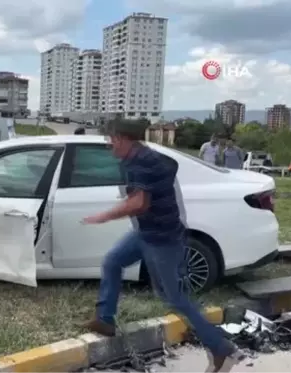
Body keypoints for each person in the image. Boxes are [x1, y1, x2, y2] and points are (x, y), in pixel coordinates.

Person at [80, 120, 243, 373]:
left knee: (175, 299)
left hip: (163, 240)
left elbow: (139, 204)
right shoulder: (143, 157)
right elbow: (161, 178)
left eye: (110, 139)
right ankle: (105, 320)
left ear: (123, 139)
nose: (109, 145)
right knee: (112, 261)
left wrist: (103, 216)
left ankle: (221, 347)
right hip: (146, 233)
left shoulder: (142, 162)